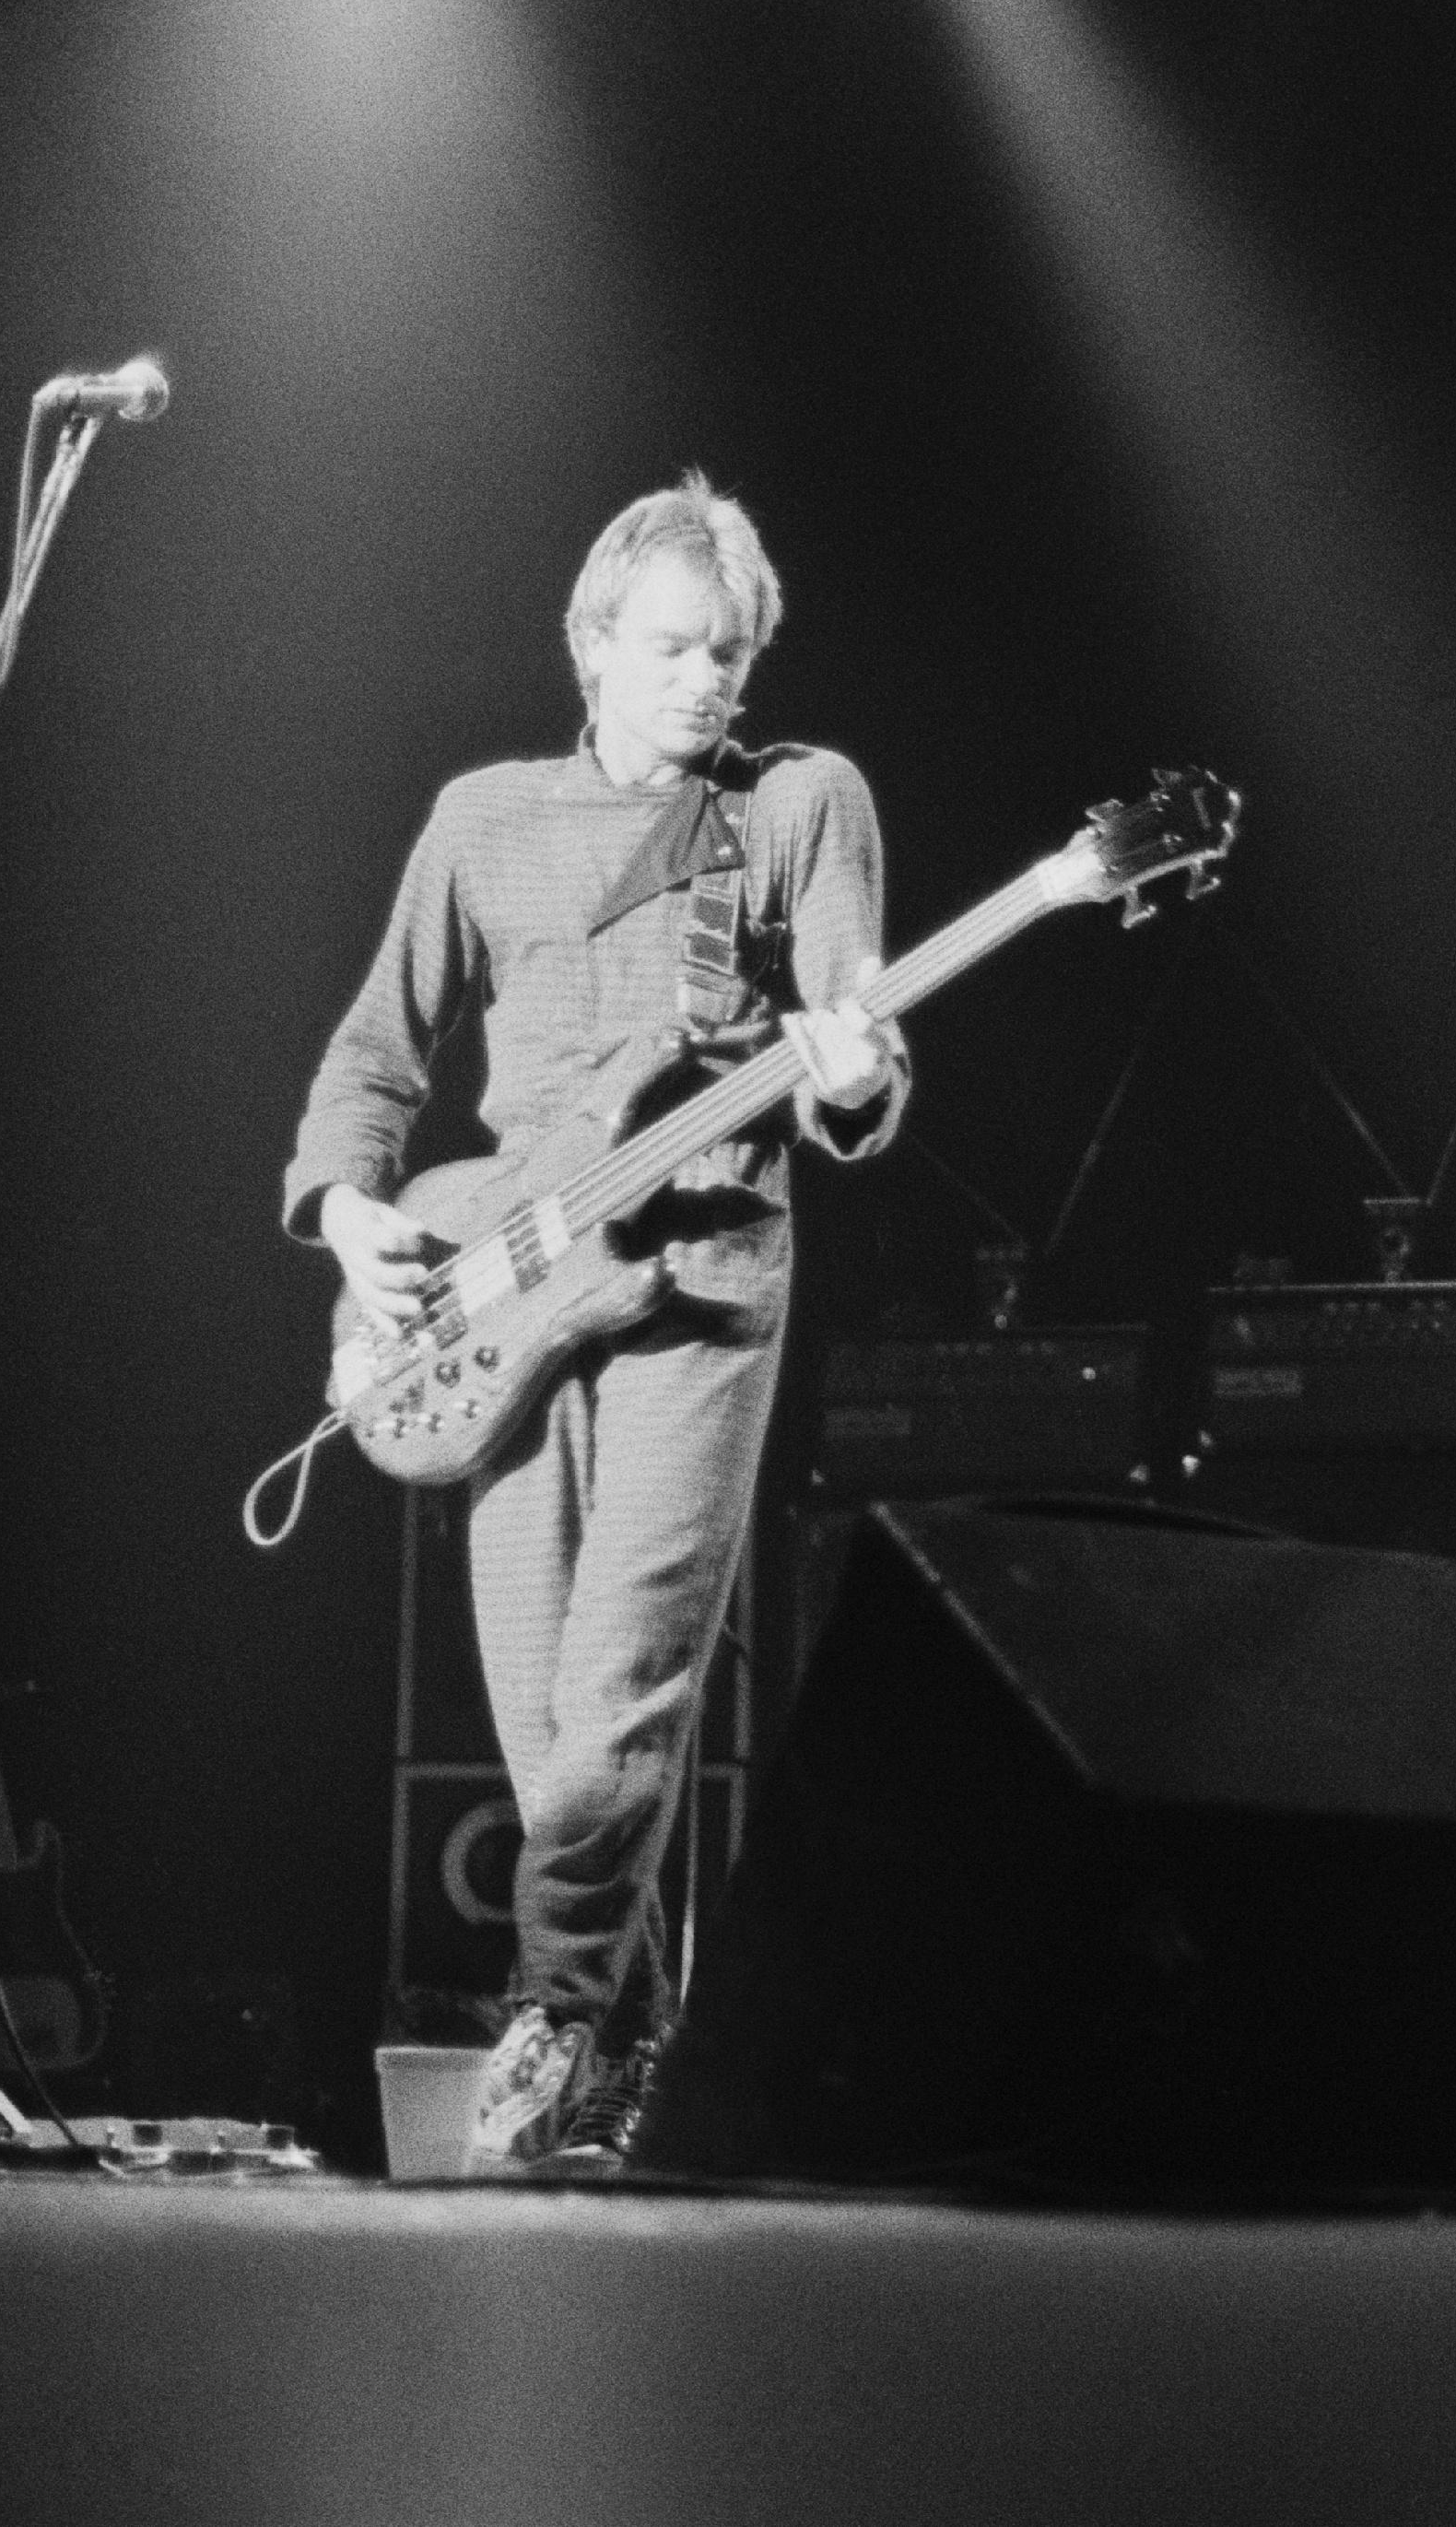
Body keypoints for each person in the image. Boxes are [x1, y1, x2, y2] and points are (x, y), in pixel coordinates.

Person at [284, 476, 908, 2173]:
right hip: (500, 1280)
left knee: (626, 1683)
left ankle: (553, 2014)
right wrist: (357, 1223)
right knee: (539, 1708)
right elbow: (370, 1064)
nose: (708, 680)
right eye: (673, 649)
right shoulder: (482, 818)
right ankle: (626, 2043)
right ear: (591, 646)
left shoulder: (797, 804)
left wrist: (856, 1072)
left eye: (731, 653)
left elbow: (858, 1033)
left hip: (698, 1282)